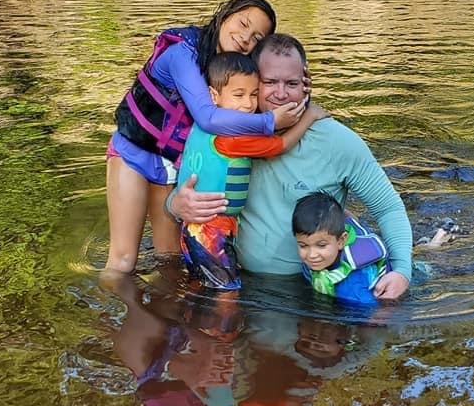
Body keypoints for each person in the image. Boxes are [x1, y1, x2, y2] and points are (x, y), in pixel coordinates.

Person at [167, 33, 412, 299]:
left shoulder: (339, 142)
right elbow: (181, 193)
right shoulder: (221, 135)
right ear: (251, 83)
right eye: (270, 82)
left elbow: (388, 208)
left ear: (306, 83)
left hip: (314, 291)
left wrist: (401, 271)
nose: (281, 94)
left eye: (292, 83)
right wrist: (175, 205)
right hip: (242, 282)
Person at [105, 0, 305, 274]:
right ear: (225, 15)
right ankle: (107, 317)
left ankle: (171, 315)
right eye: (243, 23)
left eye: (257, 38)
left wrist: (301, 91)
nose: (245, 37)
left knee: (171, 260)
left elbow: (271, 90)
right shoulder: (182, 53)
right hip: (133, 153)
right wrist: (270, 121)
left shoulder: (235, 73)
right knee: (123, 260)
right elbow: (208, 118)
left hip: (172, 166)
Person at [178, 53, 325, 289]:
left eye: (254, 94)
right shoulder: (232, 138)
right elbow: (280, 145)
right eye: (239, 95)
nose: (248, 104)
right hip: (211, 231)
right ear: (213, 96)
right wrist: (310, 116)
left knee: (202, 287)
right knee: (227, 293)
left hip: (193, 227)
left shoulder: (202, 125)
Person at [292, 191, 390, 304]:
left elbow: (372, 317)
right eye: (303, 246)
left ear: (341, 241)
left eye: (321, 245)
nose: (311, 255)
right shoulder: (319, 256)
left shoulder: (352, 287)